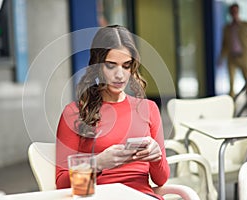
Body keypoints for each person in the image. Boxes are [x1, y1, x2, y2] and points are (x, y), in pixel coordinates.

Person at [55, 25, 170, 200]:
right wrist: (97, 163)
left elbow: (161, 179)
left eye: (126, 66)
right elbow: (62, 183)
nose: (120, 75)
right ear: (98, 66)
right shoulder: (74, 113)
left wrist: (156, 157)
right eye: (111, 66)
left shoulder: (149, 109)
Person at [218, 3, 247, 97]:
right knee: (231, 83)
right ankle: (232, 106)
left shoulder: (245, 25)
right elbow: (224, 45)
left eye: (236, 11)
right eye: (232, 12)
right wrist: (221, 58)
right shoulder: (226, 28)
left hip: (243, 57)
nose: (234, 13)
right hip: (231, 58)